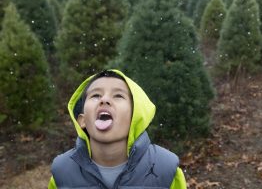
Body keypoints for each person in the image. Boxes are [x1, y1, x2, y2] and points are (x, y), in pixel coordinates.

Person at [48, 69, 187, 189]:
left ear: (135, 116)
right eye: (96, 95)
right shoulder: (62, 173)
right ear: (82, 120)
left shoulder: (165, 170)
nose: (104, 100)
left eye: (118, 95)